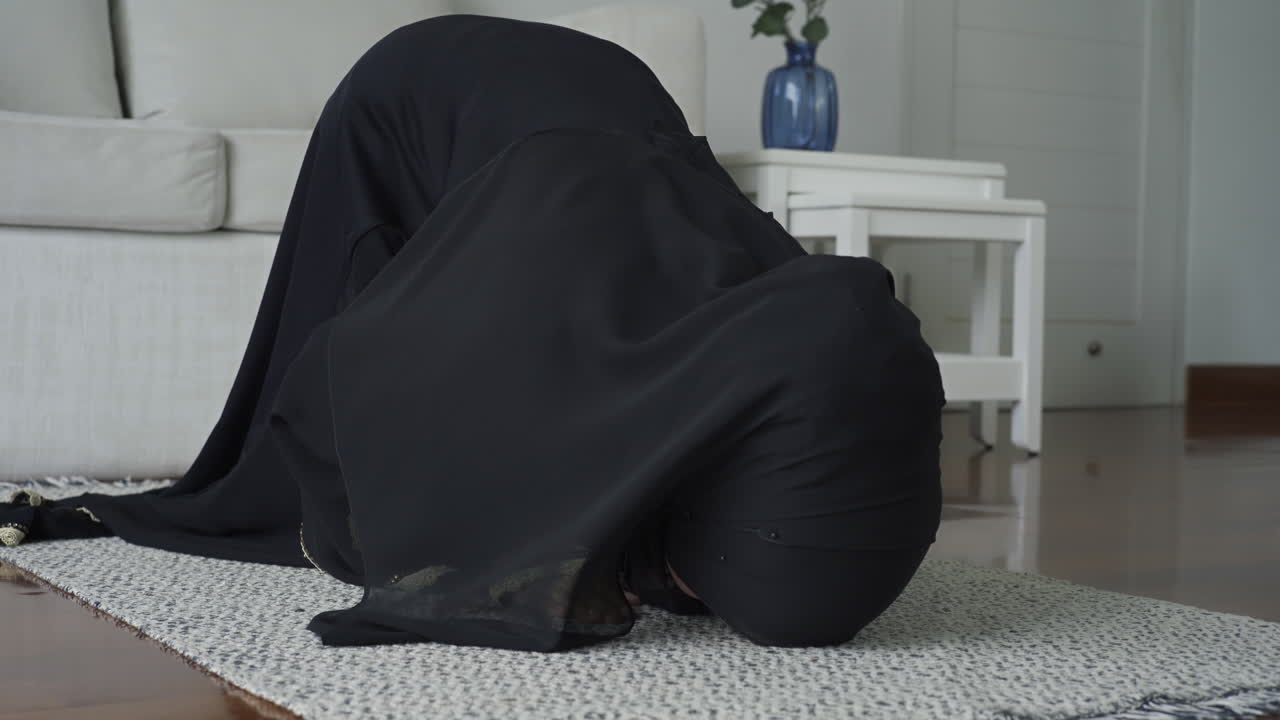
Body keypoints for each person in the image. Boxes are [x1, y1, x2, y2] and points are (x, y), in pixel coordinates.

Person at [0, 14, 944, 652]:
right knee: (355, 341)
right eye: (696, 588)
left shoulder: (773, 322)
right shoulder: (520, 305)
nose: (687, 602)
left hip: (605, 108)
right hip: (419, 84)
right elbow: (334, 382)